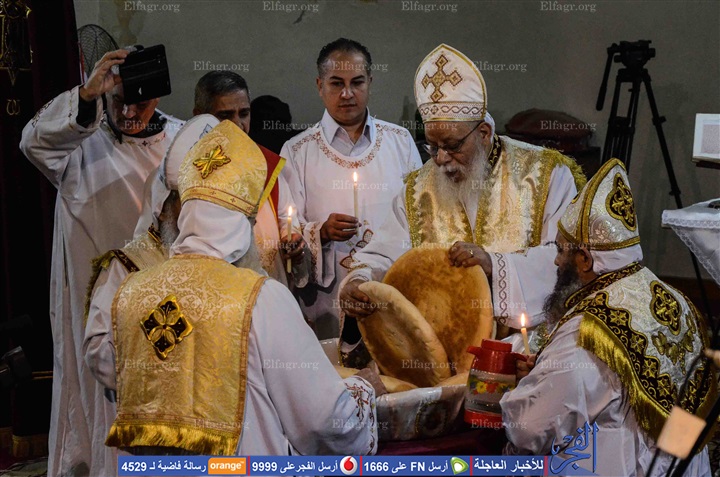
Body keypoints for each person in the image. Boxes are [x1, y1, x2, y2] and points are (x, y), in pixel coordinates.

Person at [86, 120, 382, 456]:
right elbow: (324, 420)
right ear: (246, 222)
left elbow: (109, 369)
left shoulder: (131, 291)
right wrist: (363, 389)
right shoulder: (260, 298)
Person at [338, 44, 586, 362]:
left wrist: (494, 264)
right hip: (445, 356)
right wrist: (359, 281)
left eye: (452, 145)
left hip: (525, 353)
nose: (441, 158)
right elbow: (385, 254)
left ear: (483, 133)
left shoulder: (546, 174)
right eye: (432, 146)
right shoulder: (418, 190)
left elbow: (569, 260)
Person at [19, 48, 181, 476]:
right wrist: (88, 95)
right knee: (96, 404)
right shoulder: (80, 143)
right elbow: (31, 142)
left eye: (141, 103)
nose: (129, 112)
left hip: (162, 301)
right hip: (95, 304)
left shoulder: (181, 142)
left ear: (159, 96)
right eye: (118, 100)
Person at [500, 159, 716, 476]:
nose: (556, 262)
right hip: (684, 465)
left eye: (560, 250)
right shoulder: (676, 299)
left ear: (584, 259)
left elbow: (529, 429)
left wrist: (522, 390)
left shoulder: (590, 328)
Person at [82, 114, 218, 476]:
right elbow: (99, 352)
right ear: (165, 204)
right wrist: (168, 350)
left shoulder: (224, 259)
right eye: (189, 202)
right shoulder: (126, 266)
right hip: (149, 439)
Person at [281, 38, 422, 340]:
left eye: (357, 82)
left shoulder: (400, 142)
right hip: (326, 299)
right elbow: (285, 228)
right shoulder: (297, 151)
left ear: (370, 81)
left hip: (390, 288)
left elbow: (421, 217)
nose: (347, 94)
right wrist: (320, 232)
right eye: (336, 83)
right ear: (320, 85)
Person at [194, 71, 303, 286]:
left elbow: (287, 219)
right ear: (199, 117)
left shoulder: (267, 165)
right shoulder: (186, 173)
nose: (238, 125)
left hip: (269, 289)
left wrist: (291, 239)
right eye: (225, 116)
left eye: (244, 113)